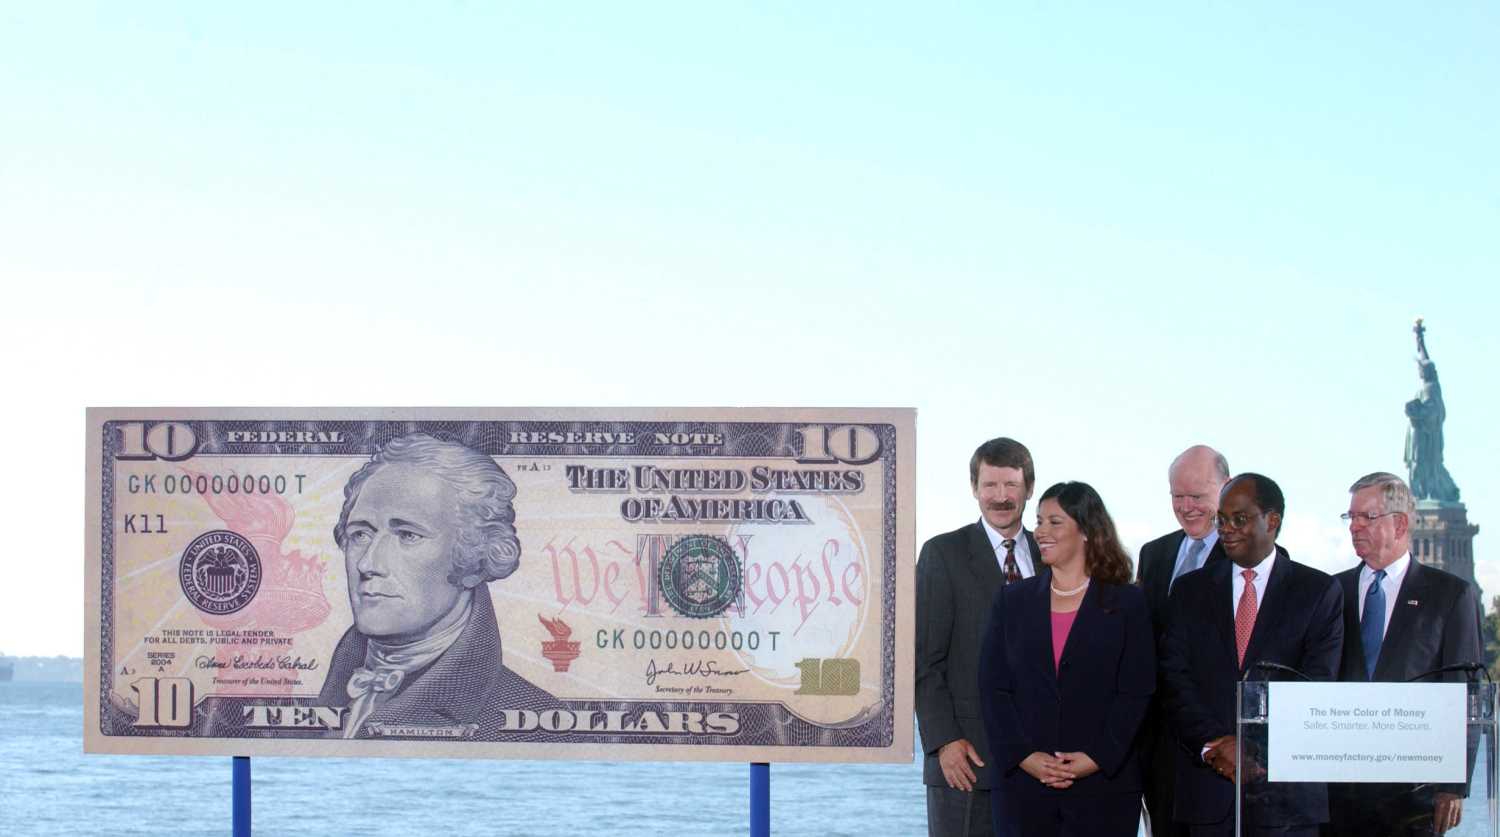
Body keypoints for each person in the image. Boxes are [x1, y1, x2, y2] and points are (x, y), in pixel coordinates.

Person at [317, 433, 556, 738]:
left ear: (472, 557)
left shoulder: (537, 722)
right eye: (360, 535)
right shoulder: (332, 688)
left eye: (407, 535)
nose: (367, 564)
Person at [1160, 474, 1343, 837]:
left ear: (1271, 521)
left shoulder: (1318, 591)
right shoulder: (1188, 591)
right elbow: (1174, 679)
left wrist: (1252, 750)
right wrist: (1215, 745)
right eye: (1221, 520)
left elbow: (1317, 686)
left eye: (1239, 519)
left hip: (1286, 798)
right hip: (1208, 794)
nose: (1227, 530)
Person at [978, 481, 1154, 837]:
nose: (1041, 531)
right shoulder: (1011, 601)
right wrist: (1025, 757)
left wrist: (1096, 759)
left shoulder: (1128, 604)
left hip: (1104, 790)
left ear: (1087, 530)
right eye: (1040, 521)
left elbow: (1136, 693)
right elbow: (993, 689)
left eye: (1054, 522)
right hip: (1023, 790)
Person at [1327, 472, 1482, 837]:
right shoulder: (1332, 592)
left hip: (1414, 798)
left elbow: (1466, 694)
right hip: (1335, 794)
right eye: (1351, 517)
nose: (1355, 527)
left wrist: (1453, 784)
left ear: (1399, 523)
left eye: (1367, 517)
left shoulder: (1450, 596)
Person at [916, 437, 1041, 837]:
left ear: (1029, 489)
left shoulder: (1051, 553)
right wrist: (945, 741)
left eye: (1011, 486)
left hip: (1043, 764)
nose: (1000, 497)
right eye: (990, 485)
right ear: (974, 489)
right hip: (967, 763)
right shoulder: (942, 554)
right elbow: (923, 660)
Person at [1137, 445, 1230, 837]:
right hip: (1158, 749)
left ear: (1226, 489)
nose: (1187, 506)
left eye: (1198, 496)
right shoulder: (1154, 554)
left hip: (1217, 748)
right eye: (1178, 496)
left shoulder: (1249, 556)